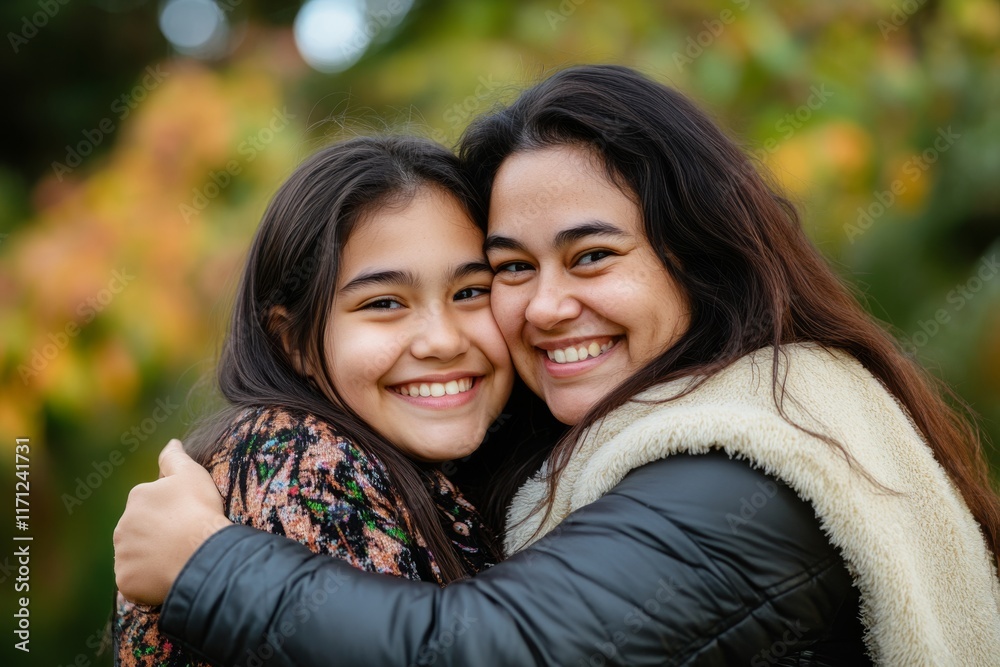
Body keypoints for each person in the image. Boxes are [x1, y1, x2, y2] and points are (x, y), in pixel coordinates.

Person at [114, 65, 1000, 665]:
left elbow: (495, 650)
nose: (541, 307)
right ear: (294, 335)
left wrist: (208, 563)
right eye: (511, 267)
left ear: (697, 256)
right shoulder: (307, 463)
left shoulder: (747, 461)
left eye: (591, 257)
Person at [112, 135, 517, 666]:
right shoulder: (301, 459)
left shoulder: (443, 467)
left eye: (469, 292)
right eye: (385, 302)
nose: (442, 341)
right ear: (295, 342)